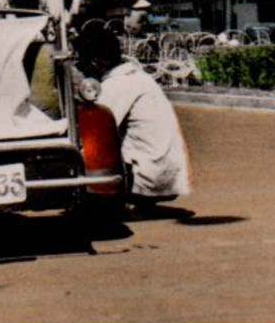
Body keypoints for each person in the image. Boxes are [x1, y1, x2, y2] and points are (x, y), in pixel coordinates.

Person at [73, 20, 190, 202]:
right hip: (165, 173)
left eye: (83, 62)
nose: (81, 68)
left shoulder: (117, 85)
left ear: (98, 61)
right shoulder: (139, 77)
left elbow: (92, 131)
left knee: (88, 150)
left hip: (147, 178)